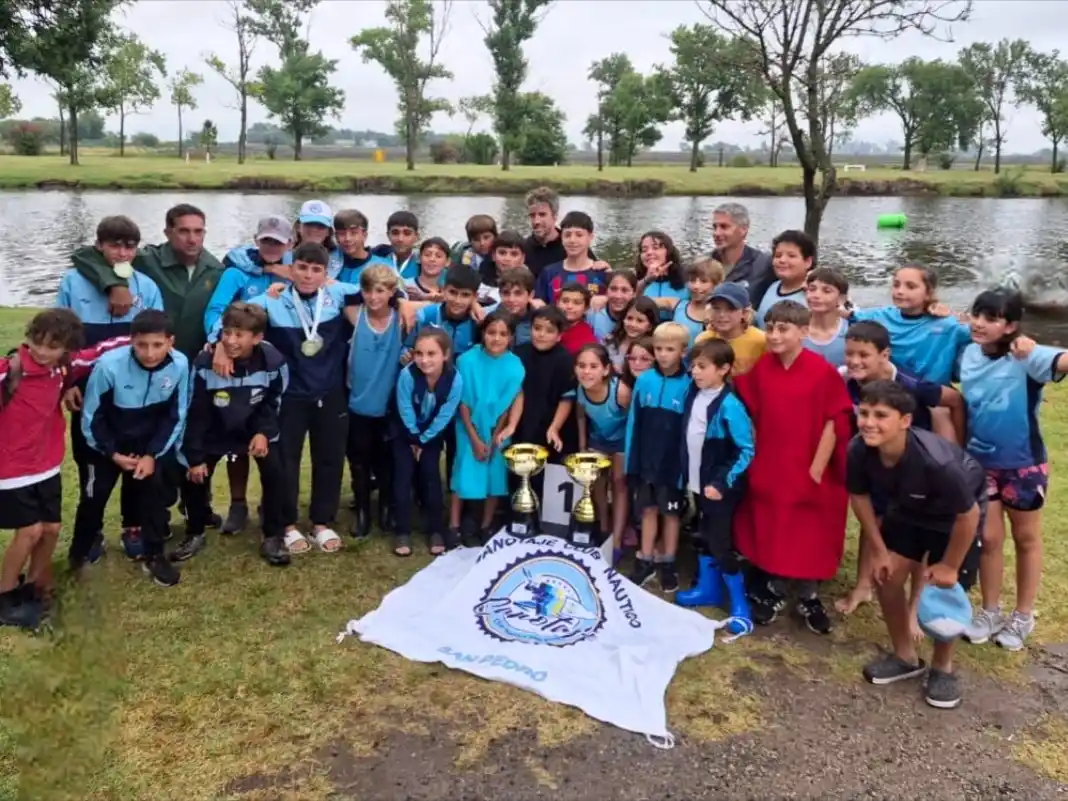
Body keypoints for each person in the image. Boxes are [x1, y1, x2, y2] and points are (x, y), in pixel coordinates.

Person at [71, 203, 224, 526]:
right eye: (183, 230)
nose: (192, 238)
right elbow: (87, 255)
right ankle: (152, 516)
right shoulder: (145, 259)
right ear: (168, 232)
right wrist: (113, 284)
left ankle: (196, 506)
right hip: (137, 370)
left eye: (198, 231)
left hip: (188, 371)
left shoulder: (216, 267)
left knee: (191, 439)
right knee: (142, 450)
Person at [214, 242, 360, 555]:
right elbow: (228, 321)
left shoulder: (337, 294)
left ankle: (322, 522)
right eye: (302, 268)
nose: (308, 275)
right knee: (284, 461)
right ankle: (287, 524)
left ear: (326, 273)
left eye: (316, 269)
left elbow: (385, 288)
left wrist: (402, 303)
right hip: (289, 394)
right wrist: (218, 346)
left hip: (330, 391)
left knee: (330, 458)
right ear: (291, 268)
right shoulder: (271, 300)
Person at [849, 380, 985, 710]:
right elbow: (859, 496)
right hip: (909, 508)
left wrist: (950, 566)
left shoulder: (937, 463)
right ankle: (905, 657)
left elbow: (969, 515)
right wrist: (879, 551)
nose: (869, 422)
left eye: (881, 415)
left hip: (955, 515)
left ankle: (942, 668)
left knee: (943, 592)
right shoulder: (858, 448)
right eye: (864, 412)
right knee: (886, 577)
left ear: (905, 420)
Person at [0, 310, 127, 629]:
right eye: (37, 342)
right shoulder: (9, 371)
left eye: (52, 346)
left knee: (51, 529)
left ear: (66, 348)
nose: (42, 352)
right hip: (10, 468)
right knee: (29, 532)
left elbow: (104, 348)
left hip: (46, 465)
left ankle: (36, 586)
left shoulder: (65, 368)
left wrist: (146, 333)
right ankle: (5, 596)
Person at [734, 300, 854, 633]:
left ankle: (808, 593)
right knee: (772, 520)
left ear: (803, 331)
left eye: (783, 328)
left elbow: (836, 419)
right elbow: (752, 408)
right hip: (772, 456)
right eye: (770, 327)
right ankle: (772, 586)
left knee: (808, 526)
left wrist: (817, 468)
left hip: (808, 459)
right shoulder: (763, 367)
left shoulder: (821, 371)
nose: (774, 335)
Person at [836, 320, 967, 619]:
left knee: (920, 534)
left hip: (915, 465)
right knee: (873, 520)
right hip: (874, 460)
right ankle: (862, 586)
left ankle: (915, 605)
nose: (855, 361)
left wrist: (957, 447)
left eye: (863, 355)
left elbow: (953, 400)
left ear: (884, 355)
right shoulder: (844, 378)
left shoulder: (911, 384)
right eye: (850, 353)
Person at [960, 288, 1068, 651]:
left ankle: (1023, 614)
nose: (980, 323)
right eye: (977, 315)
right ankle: (989, 610)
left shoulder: (1027, 358)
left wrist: (1035, 350)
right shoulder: (970, 351)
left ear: (1011, 326)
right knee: (989, 539)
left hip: (1023, 466)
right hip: (980, 464)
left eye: (991, 319)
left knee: (1025, 539)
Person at [56, 216, 165, 560]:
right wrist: (67, 382)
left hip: (135, 399)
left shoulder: (146, 287)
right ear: (99, 245)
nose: (121, 252)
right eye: (114, 245)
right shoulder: (73, 282)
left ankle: (132, 527)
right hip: (89, 394)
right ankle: (92, 533)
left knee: (134, 464)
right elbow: (61, 340)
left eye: (129, 246)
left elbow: (157, 340)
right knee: (94, 468)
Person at [73, 310, 189, 588]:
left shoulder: (181, 364)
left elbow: (176, 415)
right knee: (94, 497)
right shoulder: (108, 366)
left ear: (170, 342)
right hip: (105, 443)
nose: (149, 353)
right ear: (131, 341)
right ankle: (78, 554)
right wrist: (112, 454)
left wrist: (152, 455)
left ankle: (154, 555)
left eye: (158, 345)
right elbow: (91, 418)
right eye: (142, 345)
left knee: (150, 496)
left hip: (146, 444)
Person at [203, 215, 294, 536]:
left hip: (276, 365)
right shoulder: (234, 272)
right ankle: (238, 503)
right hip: (238, 362)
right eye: (266, 240)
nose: (272, 247)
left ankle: (273, 509)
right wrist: (219, 345)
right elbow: (216, 312)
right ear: (256, 240)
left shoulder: (295, 270)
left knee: (270, 437)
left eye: (278, 242)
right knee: (234, 438)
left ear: (289, 245)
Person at [179, 303, 290, 567]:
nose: (230, 340)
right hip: (214, 427)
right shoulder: (205, 363)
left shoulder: (273, 362)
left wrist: (263, 432)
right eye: (227, 333)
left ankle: (273, 535)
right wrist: (195, 456)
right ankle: (195, 530)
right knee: (193, 472)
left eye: (239, 335)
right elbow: (197, 411)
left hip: (252, 428)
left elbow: (273, 401)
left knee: (275, 470)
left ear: (257, 338)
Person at [676, 338, 755, 635]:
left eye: (703, 367)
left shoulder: (730, 406)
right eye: (693, 365)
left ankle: (739, 604)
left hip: (719, 488)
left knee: (721, 542)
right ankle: (707, 589)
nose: (695, 372)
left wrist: (721, 482)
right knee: (702, 534)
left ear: (723, 369)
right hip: (696, 483)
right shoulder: (693, 394)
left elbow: (745, 449)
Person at [625, 321, 693, 592]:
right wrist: (632, 462)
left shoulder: (690, 385)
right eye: (659, 348)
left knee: (671, 514)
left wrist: (685, 468)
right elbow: (633, 423)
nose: (663, 354)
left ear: (683, 352)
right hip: (645, 462)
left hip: (672, 465)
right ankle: (645, 559)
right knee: (649, 510)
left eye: (670, 349)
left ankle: (668, 560)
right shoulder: (644, 381)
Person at [450, 309, 525, 546]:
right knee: (463, 471)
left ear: (511, 337)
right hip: (468, 427)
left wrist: (494, 438)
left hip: (496, 429)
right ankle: (454, 525)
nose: (496, 339)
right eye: (491, 332)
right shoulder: (466, 361)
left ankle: (485, 524)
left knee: (495, 473)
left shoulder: (515, 366)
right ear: (483, 333)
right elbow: (463, 403)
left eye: (503, 334)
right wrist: (475, 439)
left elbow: (507, 403)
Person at [347, 266, 405, 541]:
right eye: (368, 291)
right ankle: (362, 511)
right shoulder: (354, 315)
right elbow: (332, 288)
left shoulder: (403, 319)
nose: (373, 297)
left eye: (380, 291)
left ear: (392, 293)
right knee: (359, 460)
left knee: (387, 460)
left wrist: (404, 301)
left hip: (389, 405)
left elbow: (434, 302)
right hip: (358, 404)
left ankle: (385, 506)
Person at [393, 329, 463, 556]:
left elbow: (446, 412)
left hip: (431, 435)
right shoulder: (407, 375)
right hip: (405, 433)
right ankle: (402, 530)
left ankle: (435, 529)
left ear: (445, 355)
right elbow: (404, 407)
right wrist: (413, 438)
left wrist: (424, 440)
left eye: (431, 353)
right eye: (419, 353)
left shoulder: (455, 379)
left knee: (431, 479)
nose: (424, 360)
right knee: (402, 479)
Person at [850, 265, 972, 387]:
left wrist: (959, 317)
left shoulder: (948, 325)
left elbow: (982, 337)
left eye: (911, 286)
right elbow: (845, 313)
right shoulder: (880, 316)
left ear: (928, 293)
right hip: (888, 393)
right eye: (896, 285)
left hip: (934, 397)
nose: (900, 291)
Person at [512, 306, 577, 516]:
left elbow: (566, 397)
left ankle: (547, 514)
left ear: (559, 336)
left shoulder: (565, 359)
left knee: (546, 469)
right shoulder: (519, 353)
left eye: (549, 330)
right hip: (522, 420)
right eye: (537, 328)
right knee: (519, 468)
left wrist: (554, 427)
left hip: (552, 423)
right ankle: (518, 511)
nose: (541, 334)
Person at [575, 343, 632, 561]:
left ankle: (616, 539)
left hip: (622, 442)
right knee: (597, 482)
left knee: (619, 484)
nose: (586, 371)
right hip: (598, 439)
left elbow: (633, 422)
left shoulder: (621, 392)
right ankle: (603, 527)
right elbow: (581, 416)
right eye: (581, 366)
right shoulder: (581, 389)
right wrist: (582, 447)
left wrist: (628, 451)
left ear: (606, 369)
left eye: (593, 366)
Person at [407, 265, 481, 359]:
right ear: (443, 290)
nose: (457, 300)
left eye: (465, 295)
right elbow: (408, 349)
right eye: (453, 292)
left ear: (475, 297)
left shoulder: (478, 322)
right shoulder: (425, 316)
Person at [534, 212, 609, 304]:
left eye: (579, 235)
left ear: (590, 237)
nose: (572, 240)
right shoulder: (549, 273)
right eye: (567, 235)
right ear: (561, 238)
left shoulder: (601, 273)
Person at [710, 203, 774, 309]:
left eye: (724, 227)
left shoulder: (764, 264)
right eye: (714, 227)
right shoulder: (704, 264)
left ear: (743, 229)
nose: (716, 233)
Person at [695, 283, 766, 377]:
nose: (722, 315)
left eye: (730, 309)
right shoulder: (703, 340)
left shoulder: (761, 340)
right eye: (716, 308)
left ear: (744, 313)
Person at [753, 229, 813, 329]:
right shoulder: (773, 286)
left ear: (808, 261)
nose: (782, 260)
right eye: (778, 255)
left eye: (791, 256)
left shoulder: (812, 296)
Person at [802, 267, 850, 368]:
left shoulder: (850, 332)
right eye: (812, 289)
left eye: (826, 291)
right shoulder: (795, 329)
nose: (816, 295)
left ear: (841, 299)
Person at [635, 230, 688, 317]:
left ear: (669, 251)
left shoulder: (688, 278)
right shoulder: (636, 279)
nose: (649, 253)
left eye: (655, 248)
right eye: (644, 250)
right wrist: (647, 280)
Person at [673, 258, 724, 344]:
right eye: (692, 280)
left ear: (716, 284)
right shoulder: (678, 305)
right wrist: (648, 279)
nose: (696, 286)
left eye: (703, 281)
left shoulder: (722, 314)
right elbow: (644, 301)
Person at [605, 296, 659, 374]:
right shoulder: (610, 341)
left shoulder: (653, 349)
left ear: (650, 326)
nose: (633, 324)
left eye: (640, 321)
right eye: (629, 318)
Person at [334, 209, 383, 286]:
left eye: (354, 233)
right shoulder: (329, 263)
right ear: (336, 236)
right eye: (342, 233)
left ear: (364, 235)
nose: (348, 238)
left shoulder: (383, 266)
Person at [589, 270, 636, 343]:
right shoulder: (593, 313)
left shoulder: (638, 318)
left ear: (634, 294)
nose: (618, 296)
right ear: (606, 291)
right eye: (613, 289)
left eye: (625, 290)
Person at [371, 210, 420, 280]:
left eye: (407, 233)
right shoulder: (376, 261)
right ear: (388, 235)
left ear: (416, 236)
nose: (400, 239)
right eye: (395, 233)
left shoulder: (425, 265)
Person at [495, 267, 537, 347]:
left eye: (518, 293)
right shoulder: (487, 316)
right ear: (499, 294)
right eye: (506, 293)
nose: (511, 299)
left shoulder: (538, 321)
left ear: (530, 295)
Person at [556, 282, 598, 356]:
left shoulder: (587, 339)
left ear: (586, 308)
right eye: (565, 301)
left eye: (577, 303)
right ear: (557, 303)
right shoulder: (549, 326)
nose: (569, 306)